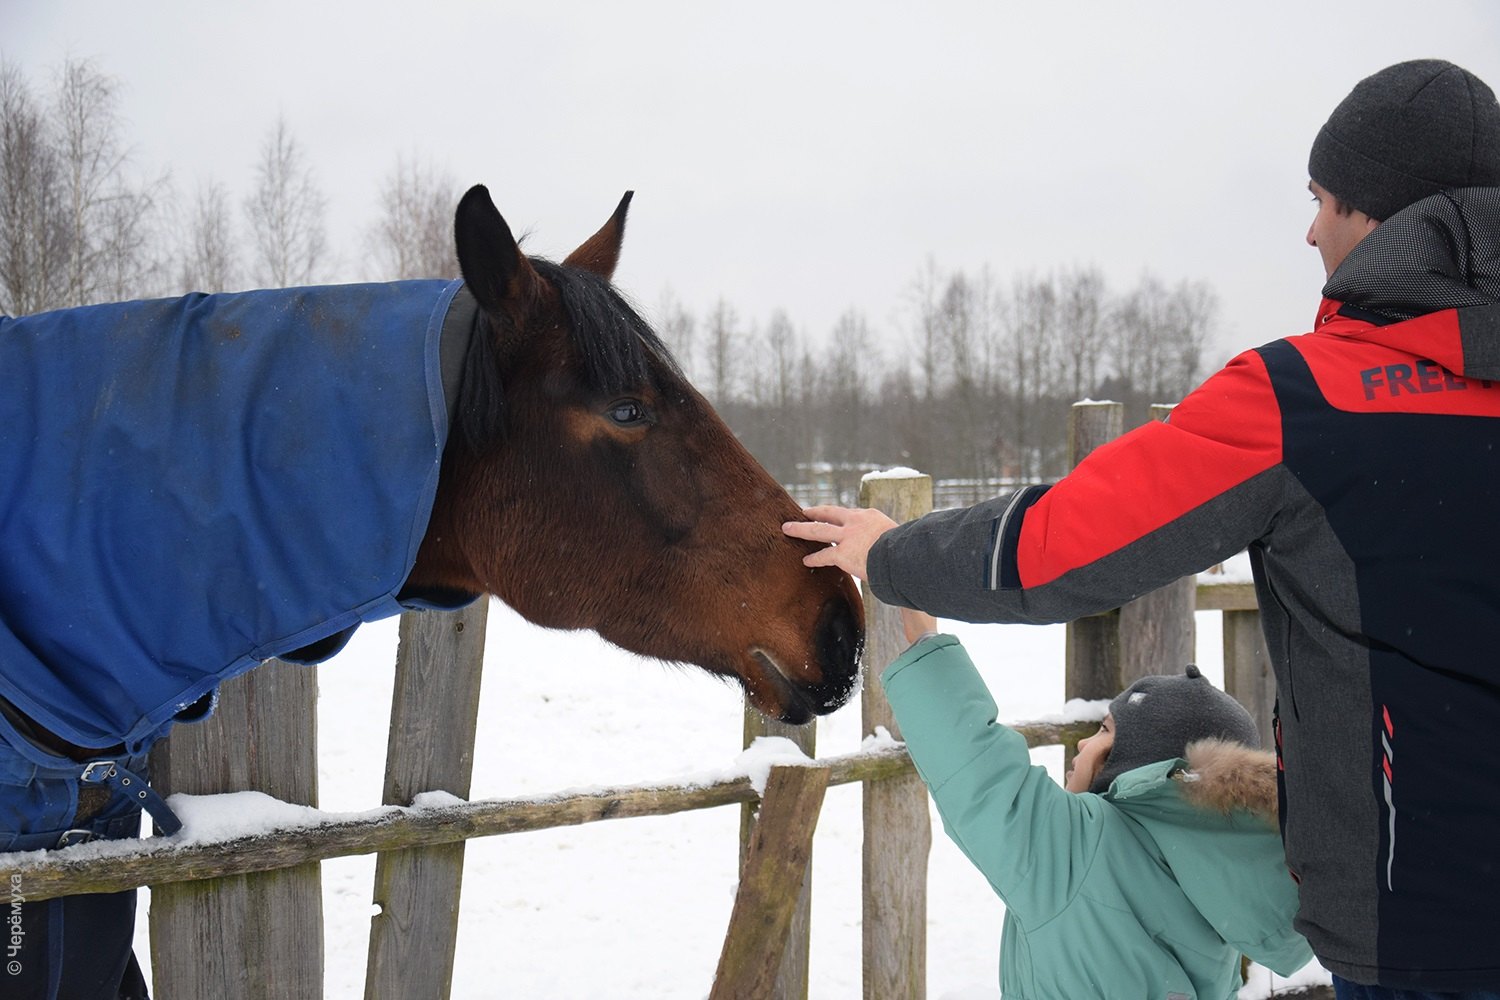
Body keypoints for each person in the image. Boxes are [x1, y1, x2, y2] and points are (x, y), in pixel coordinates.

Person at [785, 59, 1500, 997]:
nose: (1310, 229)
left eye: (1322, 200)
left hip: (1424, 931)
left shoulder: (1307, 401)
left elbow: (1062, 543)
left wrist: (892, 554)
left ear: (1384, 218)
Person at [885, 606, 1310, 998]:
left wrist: (924, 638)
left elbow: (980, 770)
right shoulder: (1224, 898)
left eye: (1105, 731)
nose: (1084, 743)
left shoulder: (1079, 849)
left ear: (1139, 762)